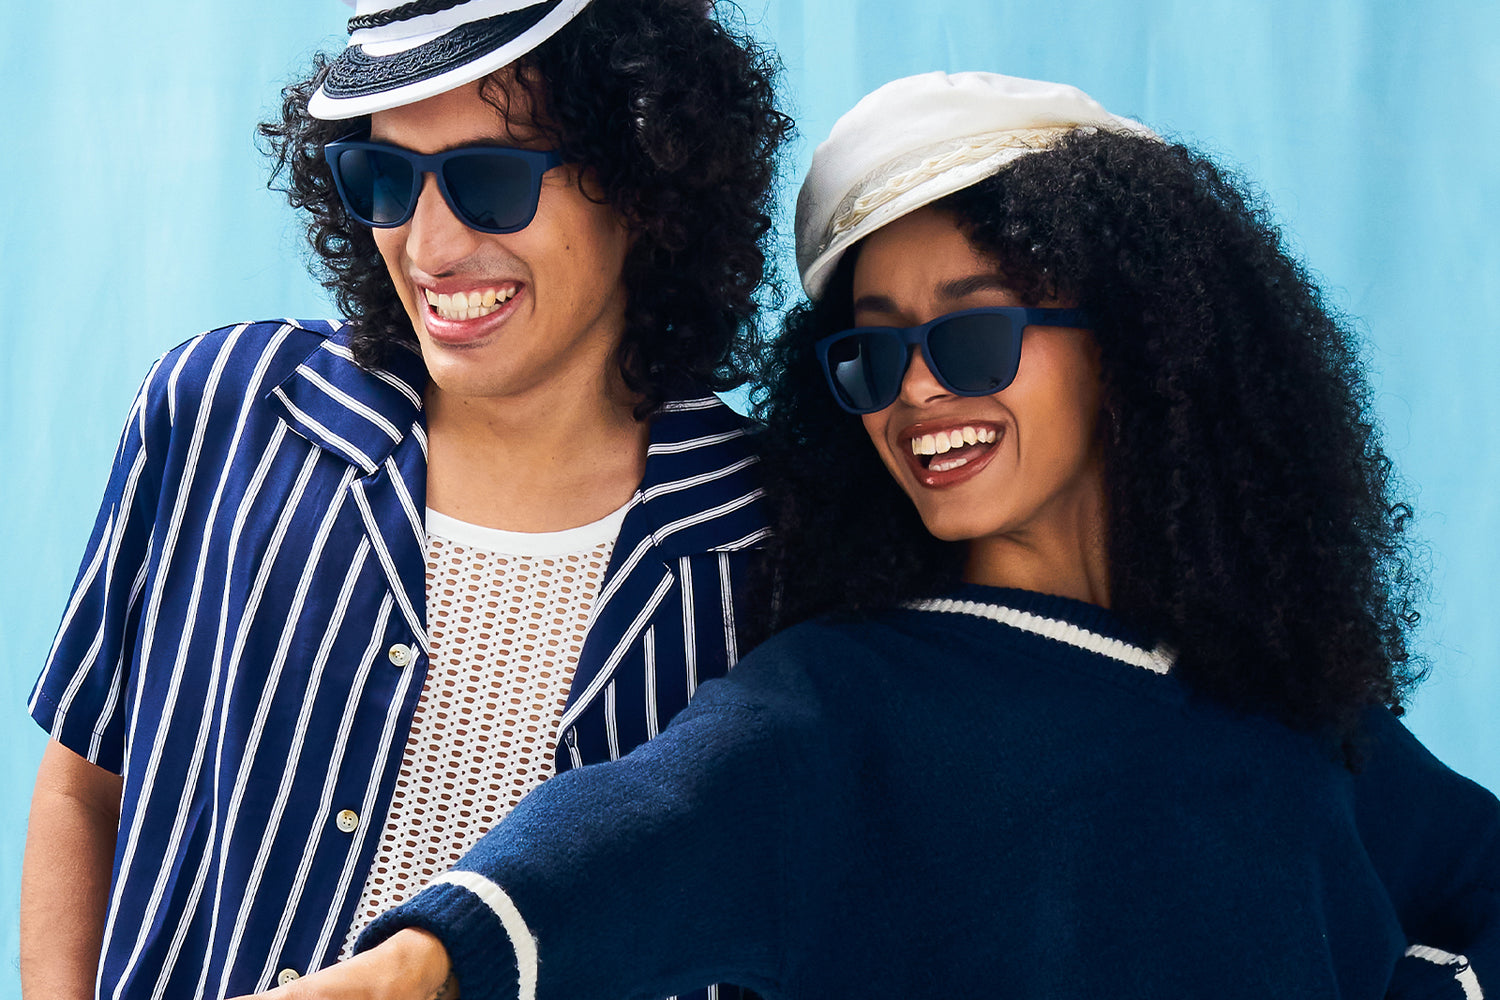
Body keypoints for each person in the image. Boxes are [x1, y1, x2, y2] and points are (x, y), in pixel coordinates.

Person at [227, 71, 1499, 1000]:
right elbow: (641, 826)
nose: (918, 389)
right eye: (871, 351)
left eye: (974, 329)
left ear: (1140, 347)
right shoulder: (840, 705)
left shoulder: (1303, 724)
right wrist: (418, 960)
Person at [20, 0, 790, 996]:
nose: (429, 244)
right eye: (386, 179)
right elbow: (85, 789)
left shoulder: (772, 536)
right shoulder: (221, 408)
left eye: (490, 178)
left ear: (644, 179)